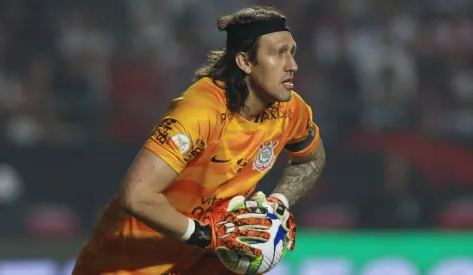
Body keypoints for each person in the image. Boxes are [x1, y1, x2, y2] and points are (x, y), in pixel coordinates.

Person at [72, 5, 326, 275]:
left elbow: (311, 159)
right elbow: (136, 195)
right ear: (245, 62)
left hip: (202, 261)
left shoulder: (291, 110)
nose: (292, 65)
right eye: (278, 53)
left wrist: (278, 203)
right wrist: (206, 235)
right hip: (125, 266)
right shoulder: (201, 111)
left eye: (292, 53)